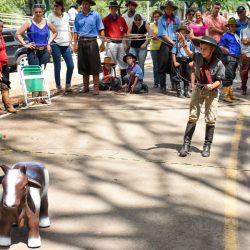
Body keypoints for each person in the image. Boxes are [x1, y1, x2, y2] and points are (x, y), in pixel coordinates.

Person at [177, 35, 225, 157]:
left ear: (212, 49)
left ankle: (207, 145)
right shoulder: (198, 56)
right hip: (199, 89)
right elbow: (189, 52)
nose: (202, 51)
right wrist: (184, 43)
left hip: (212, 92)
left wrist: (213, 85)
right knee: (193, 115)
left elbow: (220, 80)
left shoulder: (219, 63)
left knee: (211, 118)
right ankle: (186, 144)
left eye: (205, 49)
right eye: (201, 48)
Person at [16, 4, 57, 103]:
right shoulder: (29, 22)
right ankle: (35, 97)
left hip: (44, 52)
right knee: (35, 73)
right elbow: (17, 34)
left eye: (40, 12)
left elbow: (55, 32)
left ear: (42, 12)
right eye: (36, 12)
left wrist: (49, 42)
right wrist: (25, 44)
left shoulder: (47, 21)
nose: (38, 14)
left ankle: (41, 96)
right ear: (33, 12)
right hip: (33, 51)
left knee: (42, 72)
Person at [73, 0, 104, 95]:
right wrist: (75, 44)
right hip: (81, 42)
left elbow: (101, 29)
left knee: (95, 65)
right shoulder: (78, 16)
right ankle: (85, 87)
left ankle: (96, 87)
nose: (84, 5)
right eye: (83, 4)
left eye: (86, 4)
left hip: (92, 42)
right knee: (83, 65)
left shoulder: (96, 15)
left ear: (90, 5)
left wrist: (103, 42)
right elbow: (75, 31)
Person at [48, 0, 74, 93]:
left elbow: (68, 30)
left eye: (57, 6)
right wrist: (48, 43)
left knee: (71, 65)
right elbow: (47, 30)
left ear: (61, 7)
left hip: (66, 44)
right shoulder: (50, 16)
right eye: (54, 6)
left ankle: (68, 85)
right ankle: (58, 86)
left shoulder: (66, 15)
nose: (55, 7)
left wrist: (71, 43)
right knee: (57, 66)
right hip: (55, 43)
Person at [102, 1, 128, 84]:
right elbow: (100, 31)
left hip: (120, 43)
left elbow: (125, 31)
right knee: (111, 63)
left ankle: (124, 82)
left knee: (123, 62)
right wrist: (104, 40)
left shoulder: (121, 19)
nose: (113, 10)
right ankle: (113, 82)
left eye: (115, 8)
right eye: (112, 8)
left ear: (117, 9)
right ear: (109, 9)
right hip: (111, 43)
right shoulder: (105, 19)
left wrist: (125, 42)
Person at [158, 1, 181, 94]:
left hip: (175, 43)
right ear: (164, 9)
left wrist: (179, 41)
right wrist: (172, 43)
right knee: (163, 64)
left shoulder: (177, 19)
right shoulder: (161, 19)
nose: (168, 9)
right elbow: (162, 34)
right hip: (165, 43)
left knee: (174, 64)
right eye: (166, 8)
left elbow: (179, 31)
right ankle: (162, 86)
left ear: (172, 9)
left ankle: (174, 84)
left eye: (170, 8)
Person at [219, 17, 241, 102]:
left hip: (235, 58)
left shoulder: (236, 35)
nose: (233, 27)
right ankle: (226, 95)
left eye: (234, 26)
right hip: (228, 58)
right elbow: (220, 45)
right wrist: (225, 49)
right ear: (229, 26)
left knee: (232, 76)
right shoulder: (225, 35)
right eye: (231, 26)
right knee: (227, 76)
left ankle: (231, 93)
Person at [171, 23, 194, 98]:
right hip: (179, 61)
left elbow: (193, 54)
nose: (182, 34)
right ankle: (178, 91)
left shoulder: (189, 43)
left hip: (187, 61)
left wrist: (192, 61)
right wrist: (175, 62)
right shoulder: (176, 43)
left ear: (187, 34)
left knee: (187, 76)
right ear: (178, 33)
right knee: (177, 76)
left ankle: (186, 91)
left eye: (184, 33)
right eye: (181, 32)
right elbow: (173, 53)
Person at [0, 19, 16, 114]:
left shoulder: (1, 37)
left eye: (2, 26)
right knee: (2, 85)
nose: (1, 28)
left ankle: (8, 106)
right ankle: (7, 106)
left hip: (5, 65)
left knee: (6, 85)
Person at [149, 10, 162, 88]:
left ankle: (161, 82)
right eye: (155, 17)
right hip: (154, 48)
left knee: (161, 66)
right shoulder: (151, 25)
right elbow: (152, 36)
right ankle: (156, 82)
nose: (156, 18)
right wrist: (158, 36)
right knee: (155, 66)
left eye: (158, 16)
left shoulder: (163, 25)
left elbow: (161, 36)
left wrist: (157, 36)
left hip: (162, 48)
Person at [239, 18, 250, 95]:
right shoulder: (243, 30)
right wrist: (247, 40)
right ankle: (243, 88)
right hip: (246, 53)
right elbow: (245, 41)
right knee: (244, 72)